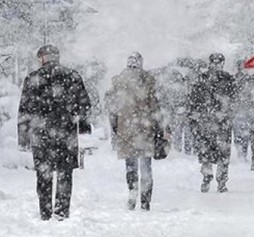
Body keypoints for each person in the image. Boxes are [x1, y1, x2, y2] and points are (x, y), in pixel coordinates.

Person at [18, 45, 92, 221]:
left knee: (44, 174)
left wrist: (24, 136)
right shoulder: (72, 76)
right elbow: (84, 105)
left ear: (42, 58)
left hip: (40, 134)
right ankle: (61, 211)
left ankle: (45, 211)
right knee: (65, 173)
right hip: (66, 134)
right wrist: (82, 127)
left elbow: (24, 110)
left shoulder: (33, 79)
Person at [106, 52, 163, 211]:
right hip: (144, 128)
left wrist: (115, 127)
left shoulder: (118, 82)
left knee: (130, 165)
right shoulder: (148, 81)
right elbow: (155, 107)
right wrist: (158, 128)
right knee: (146, 166)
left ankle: (132, 192)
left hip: (126, 128)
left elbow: (112, 107)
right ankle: (145, 200)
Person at [188, 53, 236, 193]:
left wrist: (226, 113)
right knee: (205, 151)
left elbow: (235, 100)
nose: (216, 65)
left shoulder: (229, 79)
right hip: (205, 122)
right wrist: (195, 114)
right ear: (210, 63)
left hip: (223, 123)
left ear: (223, 63)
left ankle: (221, 181)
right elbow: (193, 99)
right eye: (213, 62)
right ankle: (206, 176)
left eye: (219, 62)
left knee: (223, 153)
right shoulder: (201, 80)